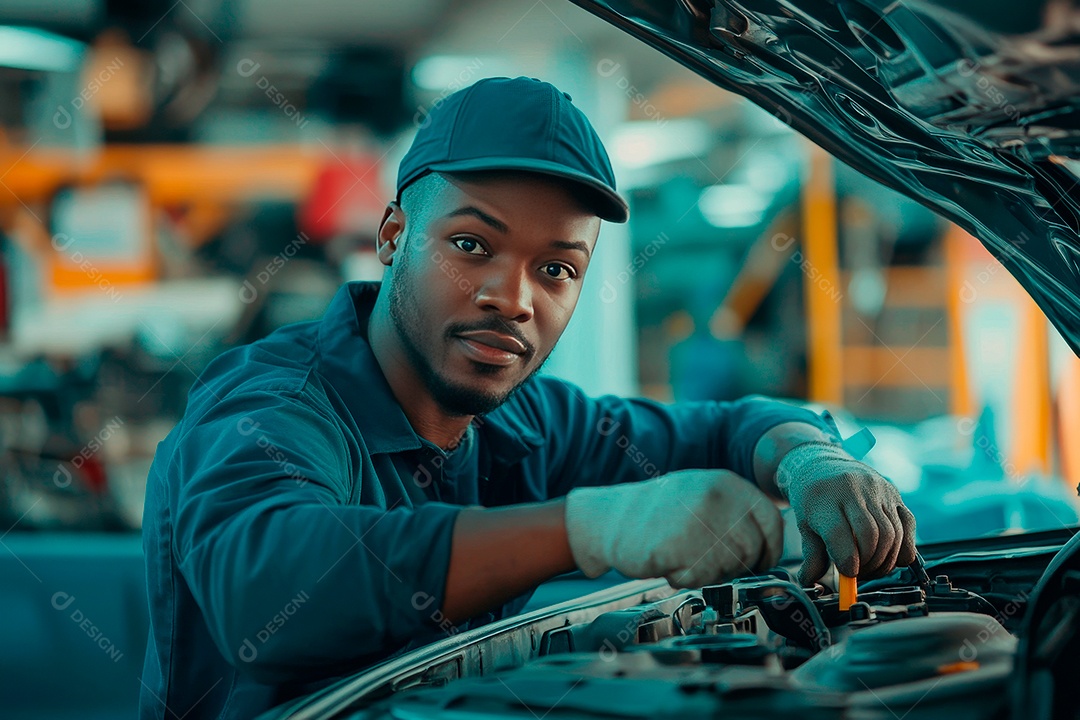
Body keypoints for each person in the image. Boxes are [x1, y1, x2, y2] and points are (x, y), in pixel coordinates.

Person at [139, 76, 916, 719]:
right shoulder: (275, 406)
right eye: (472, 246)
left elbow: (722, 430)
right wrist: (590, 526)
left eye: (556, 269)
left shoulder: (524, 421)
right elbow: (270, 590)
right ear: (392, 236)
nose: (513, 299)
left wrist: (810, 458)